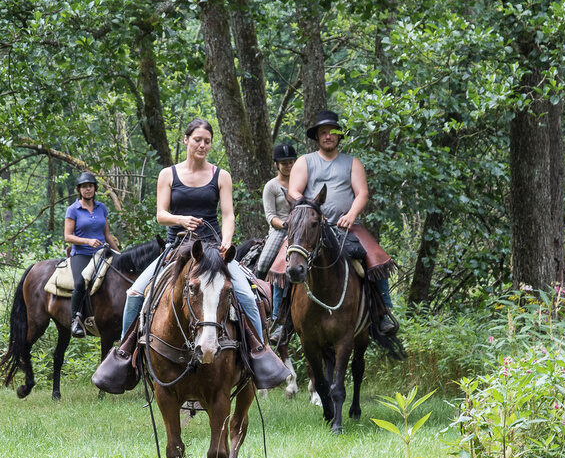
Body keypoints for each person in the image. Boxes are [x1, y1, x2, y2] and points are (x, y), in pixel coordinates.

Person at [96, 118, 289, 391]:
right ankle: (128, 355)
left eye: (207, 141)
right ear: (186, 140)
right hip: (176, 249)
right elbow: (161, 214)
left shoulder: (220, 175)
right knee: (135, 294)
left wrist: (226, 241)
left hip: (211, 250)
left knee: (246, 294)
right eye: (197, 139)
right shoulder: (168, 174)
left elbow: (228, 214)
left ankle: (259, 352)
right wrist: (181, 220)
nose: (202, 145)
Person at [280, 108, 399, 342]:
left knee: (375, 258)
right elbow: (294, 191)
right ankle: (281, 318)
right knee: (280, 262)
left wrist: (352, 214)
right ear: (317, 136)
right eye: (323, 132)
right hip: (310, 227)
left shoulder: (352, 163)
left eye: (332, 132)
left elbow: (362, 193)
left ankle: (382, 312)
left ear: (339, 136)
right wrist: (313, 212)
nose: (328, 136)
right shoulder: (305, 162)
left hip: (346, 226)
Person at [63, 171, 119, 337]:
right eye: (84, 187)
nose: (88, 189)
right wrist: (87, 241)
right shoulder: (73, 209)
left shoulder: (102, 208)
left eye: (90, 186)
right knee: (81, 283)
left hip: (103, 252)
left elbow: (107, 234)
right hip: (82, 253)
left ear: (95, 188)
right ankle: (76, 320)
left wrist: (119, 253)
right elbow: (67, 237)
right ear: (79, 190)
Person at [257, 143, 296, 326]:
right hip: (280, 229)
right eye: (284, 163)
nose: (288, 166)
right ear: (277, 164)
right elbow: (270, 216)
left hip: (301, 229)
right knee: (266, 262)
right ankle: (260, 294)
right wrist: (285, 224)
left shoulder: (300, 182)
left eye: (291, 162)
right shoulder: (271, 187)